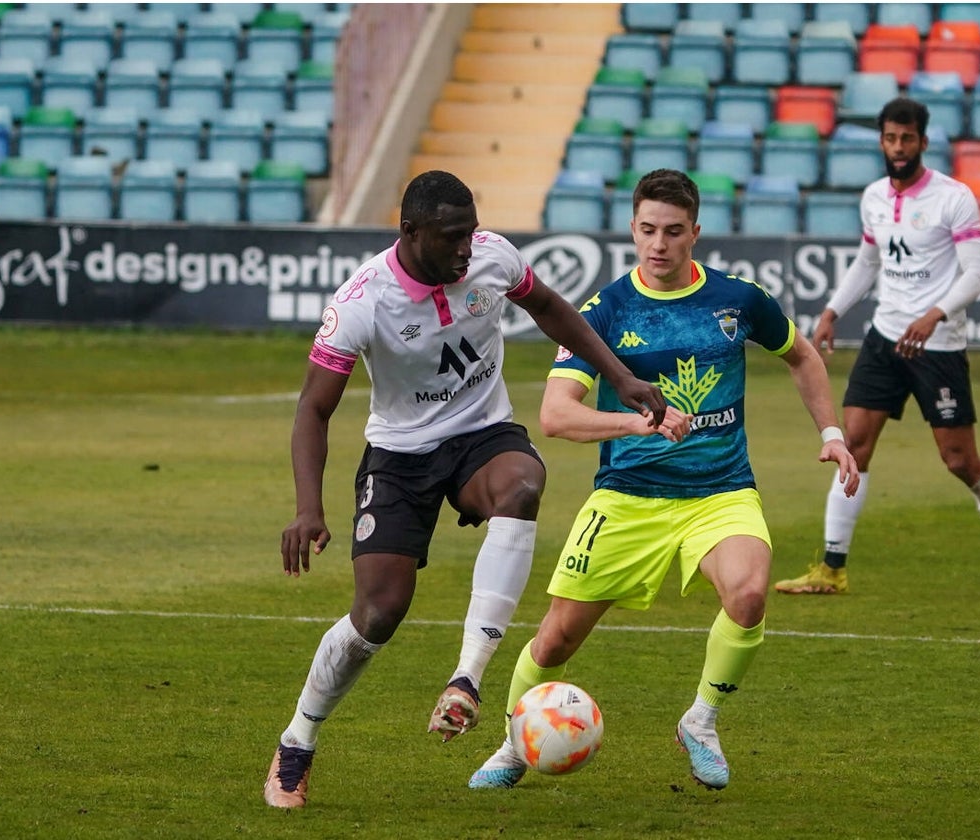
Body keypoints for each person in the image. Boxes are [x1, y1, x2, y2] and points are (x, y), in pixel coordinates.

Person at [263, 170, 668, 809]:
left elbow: (551, 308)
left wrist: (621, 374)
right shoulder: (361, 302)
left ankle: (467, 680)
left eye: (470, 233)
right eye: (452, 237)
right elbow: (313, 410)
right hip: (399, 456)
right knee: (377, 615)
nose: (465, 249)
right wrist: (307, 508)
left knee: (524, 484)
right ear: (410, 232)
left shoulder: (491, 256)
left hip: (482, 435)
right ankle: (298, 740)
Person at [467, 168, 860, 792]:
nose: (659, 244)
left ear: (695, 233)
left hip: (721, 492)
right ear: (632, 229)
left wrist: (832, 435)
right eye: (647, 230)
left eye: (673, 232)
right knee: (556, 639)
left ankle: (701, 721)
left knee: (750, 593)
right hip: (628, 499)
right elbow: (556, 415)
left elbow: (802, 355)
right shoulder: (604, 311)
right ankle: (515, 743)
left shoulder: (739, 299)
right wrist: (638, 423)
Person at [775, 97, 980, 600]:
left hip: (938, 344)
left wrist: (934, 314)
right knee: (852, 446)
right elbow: (867, 262)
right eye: (890, 138)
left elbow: (977, 274)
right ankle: (832, 567)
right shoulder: (875, 196)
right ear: (881, 141)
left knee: (960, 460)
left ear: (923, 142)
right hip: (885, 337)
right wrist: (833, 311)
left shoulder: (954, 198)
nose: (898, 147)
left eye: (907, 138)